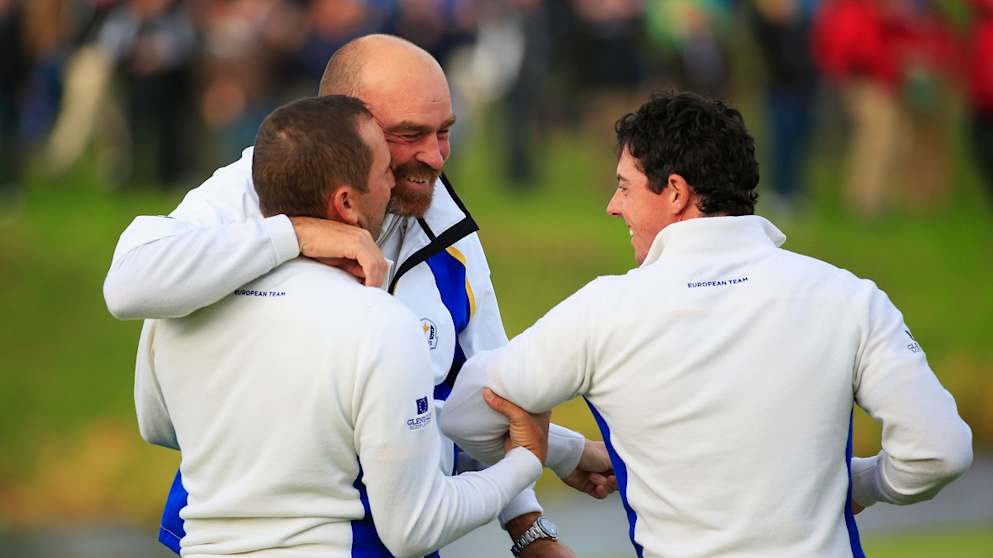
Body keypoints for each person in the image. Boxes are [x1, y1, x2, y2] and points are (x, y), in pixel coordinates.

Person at [104, 34, 609, 556]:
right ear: (349, 123)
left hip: (382, 527)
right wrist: (294, 235)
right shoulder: (248, 187)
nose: (433, 158)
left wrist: (530, 522)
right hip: (342, 531)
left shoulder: (445, 225)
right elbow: (127, 284)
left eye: (445, 132)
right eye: (409, 134)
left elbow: (483, 391)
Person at [440, 91, 973, 558]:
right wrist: (862, 483)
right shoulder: (848, 296)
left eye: (624, 188)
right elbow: (939, 451)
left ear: (674, 191)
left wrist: (561, 453)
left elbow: (465, 416)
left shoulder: (604, 309)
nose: (611, 206)